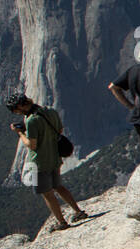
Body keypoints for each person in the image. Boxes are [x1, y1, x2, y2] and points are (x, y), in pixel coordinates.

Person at [6, 93, 87, 231]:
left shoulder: (31, 120)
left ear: (20, 106)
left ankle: (62, 222)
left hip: (39, 162)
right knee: (59, 186)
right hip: (54, 157)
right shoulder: (49, 110)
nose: (16, 113)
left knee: (47, 194)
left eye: (15, 110)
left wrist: (20, 132)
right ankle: (79, 212)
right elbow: (59, 130)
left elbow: (31, 145)